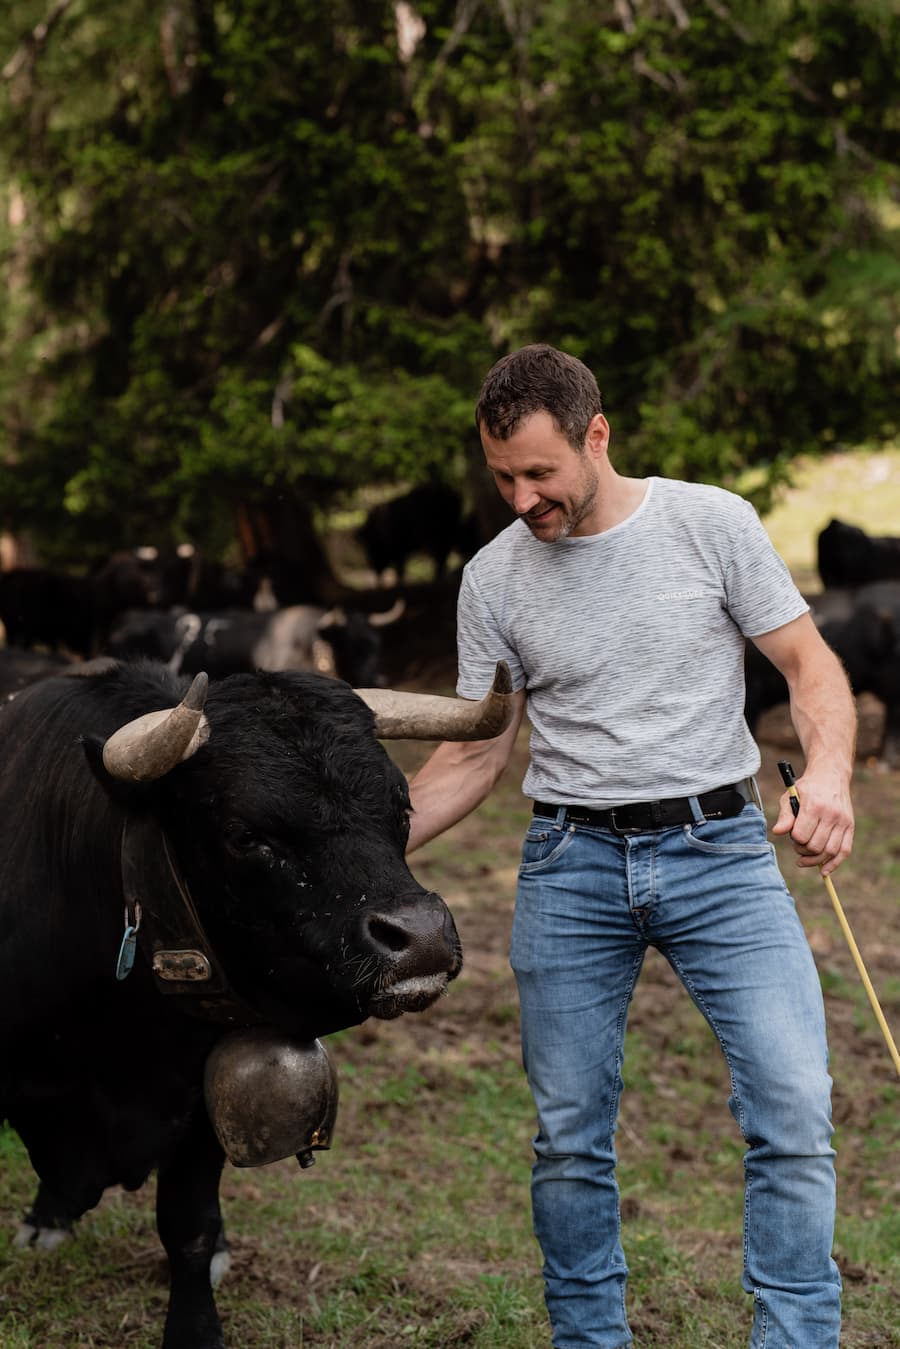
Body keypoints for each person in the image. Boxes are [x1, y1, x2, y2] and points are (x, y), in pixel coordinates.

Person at [406, 344, 856, 1349]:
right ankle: (590, 1338)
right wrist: (365, 848)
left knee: (793, 1106)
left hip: (723, 852)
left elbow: (808, 663)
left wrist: (826, 774)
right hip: (571, 865)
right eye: (502, 477)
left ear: (595, 434)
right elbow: (475, 756)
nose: (523, 497)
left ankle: (796, 1337)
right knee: (568, 1137)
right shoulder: (493, 579)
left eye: (540, 472)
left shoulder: (711, 524)